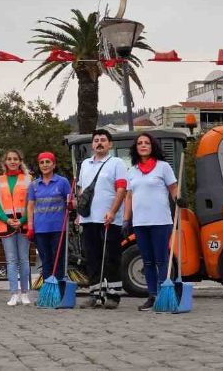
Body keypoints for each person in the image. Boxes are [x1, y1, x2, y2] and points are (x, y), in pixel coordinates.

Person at [123, 132, 184, 311]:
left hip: (160, 221)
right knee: (147, 261)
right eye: (140, 143)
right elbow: (129, 196)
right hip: (140, 222)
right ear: (136, 148)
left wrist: (178, 199)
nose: (143, 145)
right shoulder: (132, 170)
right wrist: (126, 220)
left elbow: (173, 188)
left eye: (146, 143)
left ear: (152, 146)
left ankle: (166, 293)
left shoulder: (163, 167)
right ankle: (152, 295)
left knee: (161, 260)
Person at [77, 129, 129, 309]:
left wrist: (113, 211)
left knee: (111, 257)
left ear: (110, 144)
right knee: (92, 257)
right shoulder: (85, 164)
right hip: (88, 219)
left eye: (103, 140)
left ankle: (113, 294)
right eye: (96, 140)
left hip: (109, 218)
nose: (99, 143)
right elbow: (81, 190)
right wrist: (79, 214)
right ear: (92, 144)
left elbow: (122, 189)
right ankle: (95, 293)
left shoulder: (117, 163)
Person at [0, 149, 32, 306]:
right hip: (6, 225)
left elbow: (31, 203)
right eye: (9, 159)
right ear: (5, 162)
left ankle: (25, 293)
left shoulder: (29, 180)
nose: (13, 161)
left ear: (20, 161)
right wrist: (6, 220)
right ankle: (14, 293)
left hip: (23, 224)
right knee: (11, 260)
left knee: (24, 259)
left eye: (15, 158)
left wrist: (22, 221)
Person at [26, 152, 73, 292]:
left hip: (58, 228)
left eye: (48, 162)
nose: (45, 165)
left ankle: (60, 291)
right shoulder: (34, 185)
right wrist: (30, 226)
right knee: (46, 262)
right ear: (39, 165)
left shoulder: (62, 182)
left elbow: (70, 202)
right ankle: (48, 292)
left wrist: (71, 204)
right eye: (42, 162)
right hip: (41, 229)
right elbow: (30, 206)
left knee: (58, 261)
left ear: (54, 164)